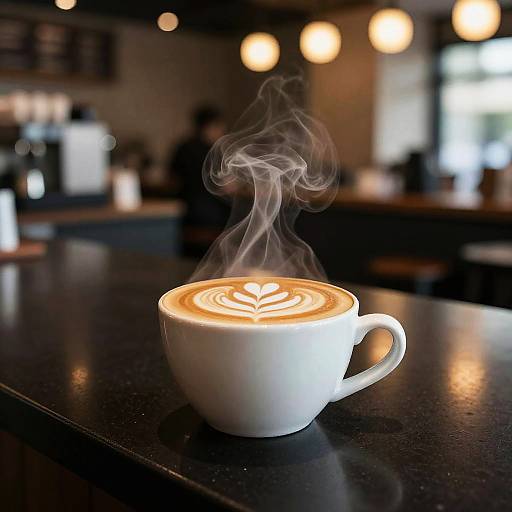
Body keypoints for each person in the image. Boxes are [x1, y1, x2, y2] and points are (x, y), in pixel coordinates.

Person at [168, 106, 229, 230]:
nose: (223, 131)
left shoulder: (183, 146)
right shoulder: (211, 152)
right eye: (220, 126)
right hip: (206, 213)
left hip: (183, 209)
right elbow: (225, 186)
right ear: (210, 126)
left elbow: (171, 177)